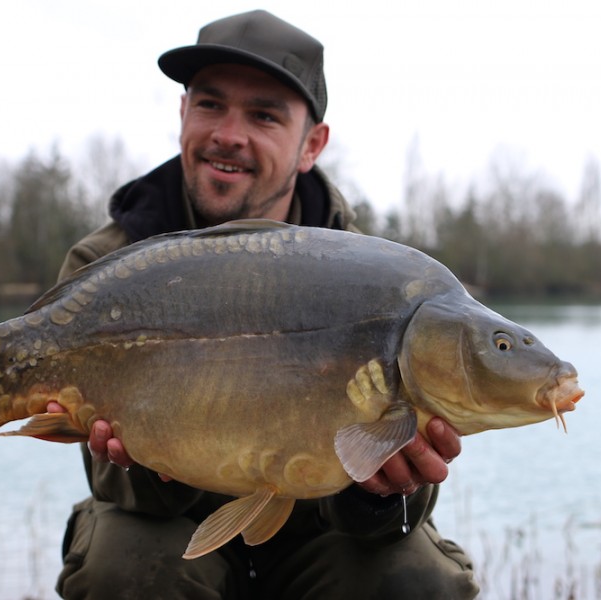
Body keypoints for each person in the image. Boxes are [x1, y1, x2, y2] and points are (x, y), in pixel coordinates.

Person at [52, 10, 479, 599]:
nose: (229, 133)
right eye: (210, 104)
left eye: (263, 115)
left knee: (413, 574)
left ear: (312, 145)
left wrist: (380, 493)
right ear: (182, 113)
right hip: (170, 528)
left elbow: (394, 517)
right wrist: (147, 460)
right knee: (126, 561)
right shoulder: (106, 269)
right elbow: (114, 486)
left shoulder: (378, 282)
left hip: (318, 536)